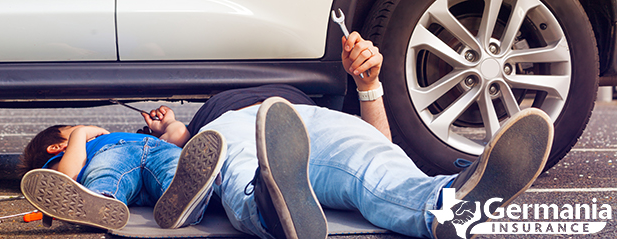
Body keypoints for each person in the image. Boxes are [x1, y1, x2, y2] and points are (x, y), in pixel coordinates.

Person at [140, 32, 554, 239]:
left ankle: (444, 205)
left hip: (304, 121)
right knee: (243, 171)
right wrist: (168, 128)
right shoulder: (210, 112)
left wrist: (368, 84)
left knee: (371, 162)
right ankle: (272, 202)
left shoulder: (312, 96)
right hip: (233, 127)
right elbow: (187, 163)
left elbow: (379, 142)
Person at [17, 122, 227, 230]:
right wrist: (79, 133)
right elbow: (67, 175)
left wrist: (167, 124)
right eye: (72, 129)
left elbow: (178, 136)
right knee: (106, 172)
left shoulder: (139, 135)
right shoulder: (76, 149)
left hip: (159, 152)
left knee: (175, 168)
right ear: (57, 147)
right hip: (116, 155)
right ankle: (102, 201)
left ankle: (185, 202)